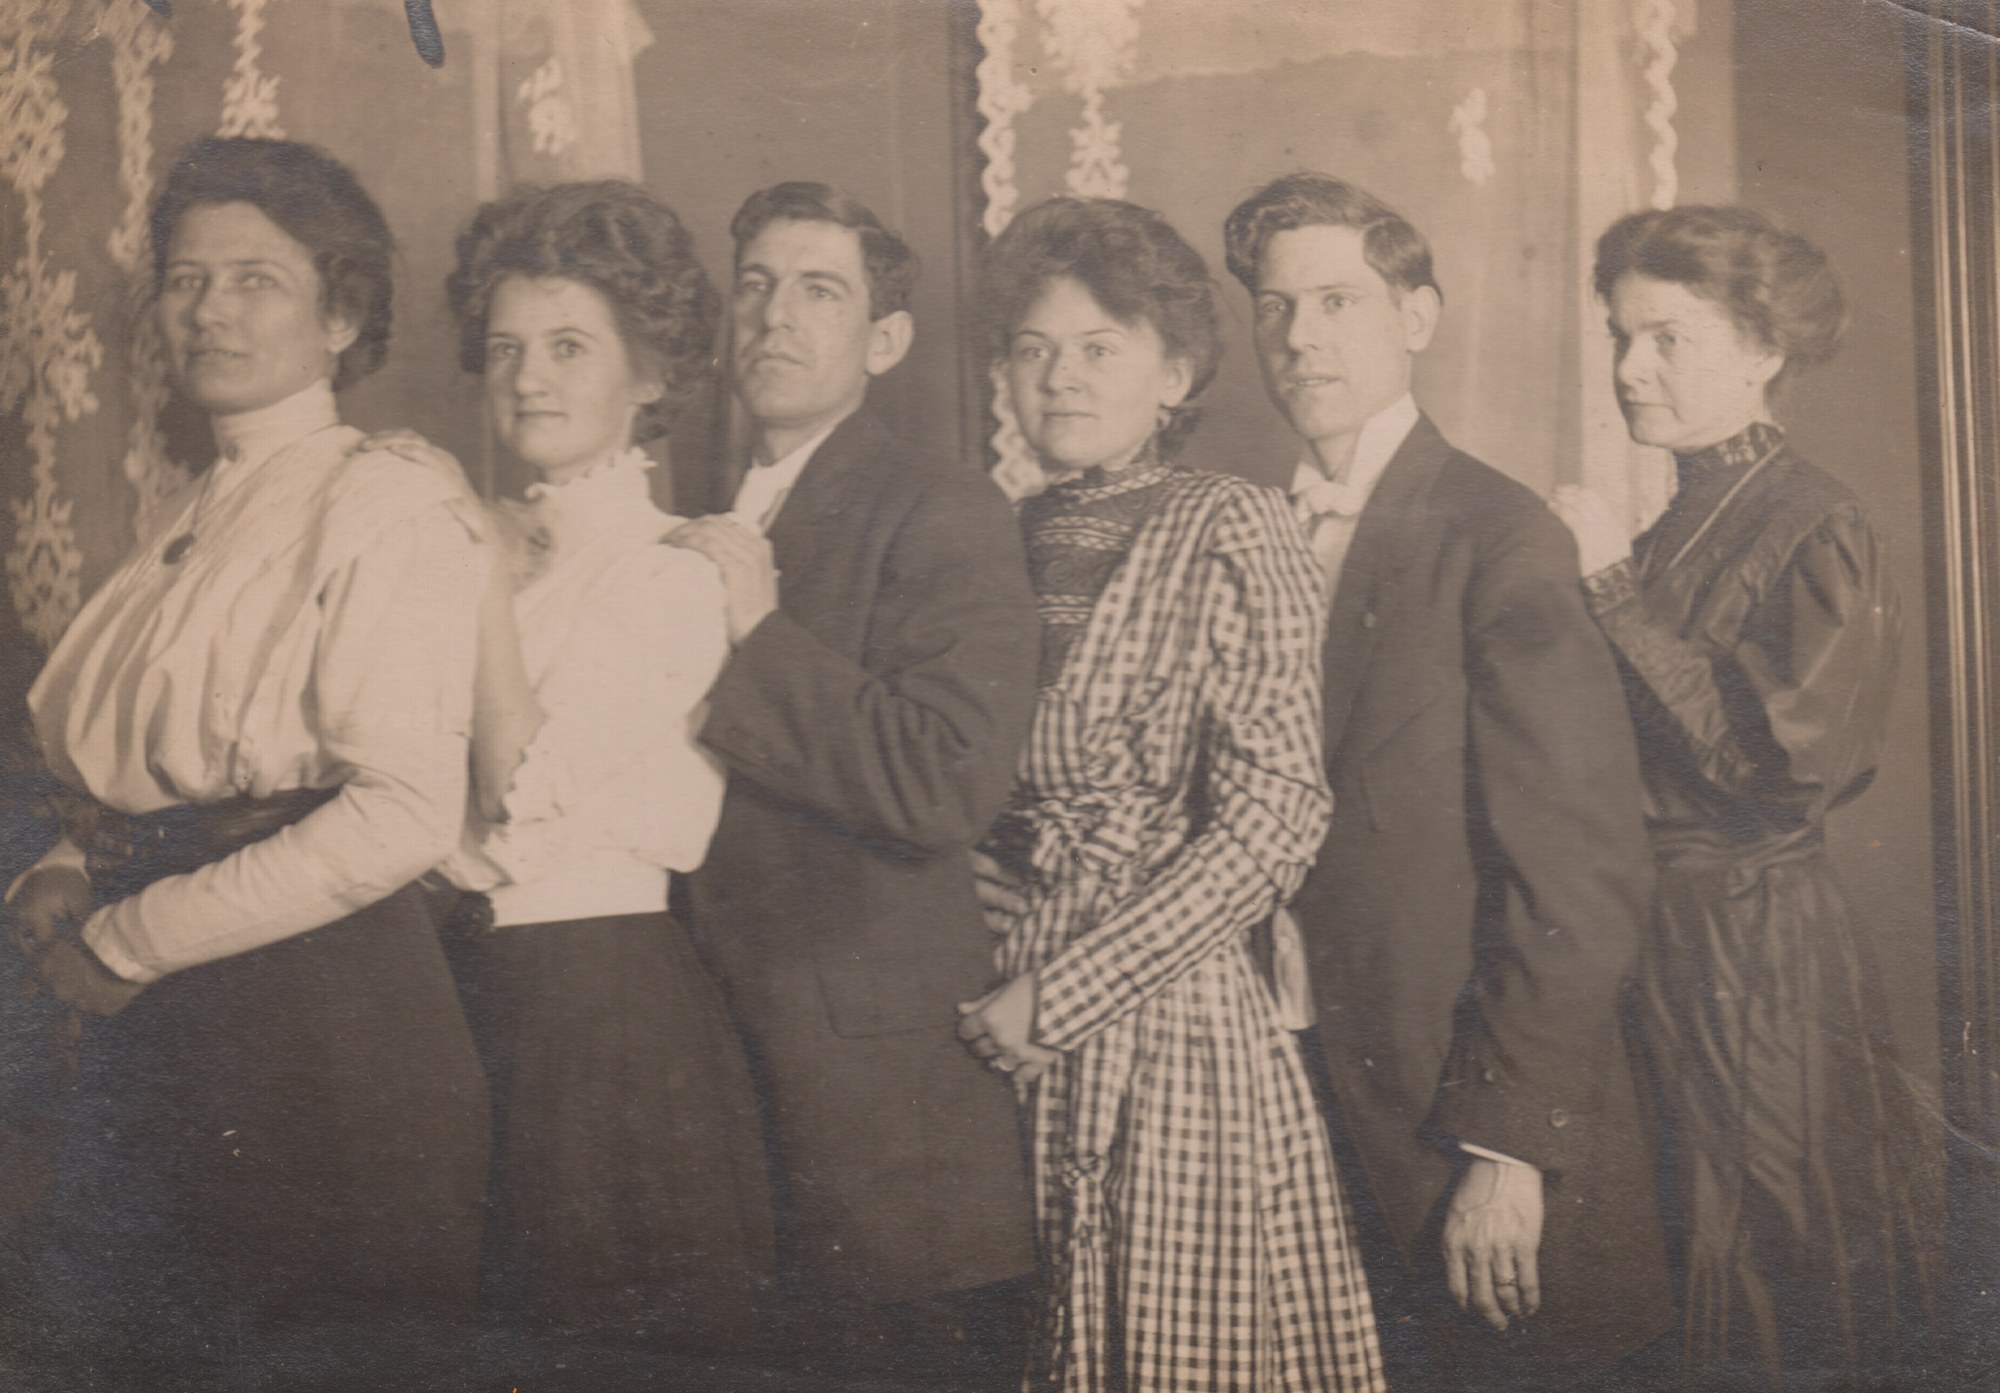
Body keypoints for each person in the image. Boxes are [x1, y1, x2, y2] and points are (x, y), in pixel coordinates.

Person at [5, 136, 490, 1384]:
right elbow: (173, 761)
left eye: (255, 280)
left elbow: (400, 813)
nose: (210, 309)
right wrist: (70, 863)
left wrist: (129, 938)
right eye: (186, 279)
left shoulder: (386, 502)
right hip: (174, 1010)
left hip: (316, 1023)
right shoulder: (196, 508)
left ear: (342, 314)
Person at [1221, 172, 1674, 1390]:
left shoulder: (1495, 533)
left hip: (1461, 1123)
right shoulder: (1249, 533)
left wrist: (1507, 1150)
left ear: (1415, 317)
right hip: (1293, 1101)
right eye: (1274, 307)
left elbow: (1576, 873)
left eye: (1336, 301)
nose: (1299, 336)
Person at [956, 195, 1384, 1393]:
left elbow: (1274, 817)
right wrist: (965, 873)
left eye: (1099, 348)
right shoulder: (987, 536)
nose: (1060, 377)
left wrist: (1062, 997)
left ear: (1175, 373)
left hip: (1164, 1020)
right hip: (987, 1005)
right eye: (1032, 349)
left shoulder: (1230, 525)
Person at [367, 181, 775, 1361]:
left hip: (601, 1022)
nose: (528, 377)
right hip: (465, 1001)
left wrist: (479, 576)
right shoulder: (494, 550)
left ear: (649, 374)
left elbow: (513, 793)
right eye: (505, 348)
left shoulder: (672, 573)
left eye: (567, 347)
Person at [1550, 204, 1939, 1388]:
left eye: (1666, 338)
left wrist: (1608, 590)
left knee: (1758, 1271)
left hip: (1751, 962)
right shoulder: (1679, 519)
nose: (1629, 369)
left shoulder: (1816, 521)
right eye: (1619, 337)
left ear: (1763, 349)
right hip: (1653, 943)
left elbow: (1771, 780)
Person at [665, 182, 1040, 1381]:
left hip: (881, 1112)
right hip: (729, 1065)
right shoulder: (702, 509)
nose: (774, 315)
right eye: (756, 284)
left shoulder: (939, 504)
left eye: (818, 290)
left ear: (885, 340)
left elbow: (944, 776)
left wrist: (758, 632)